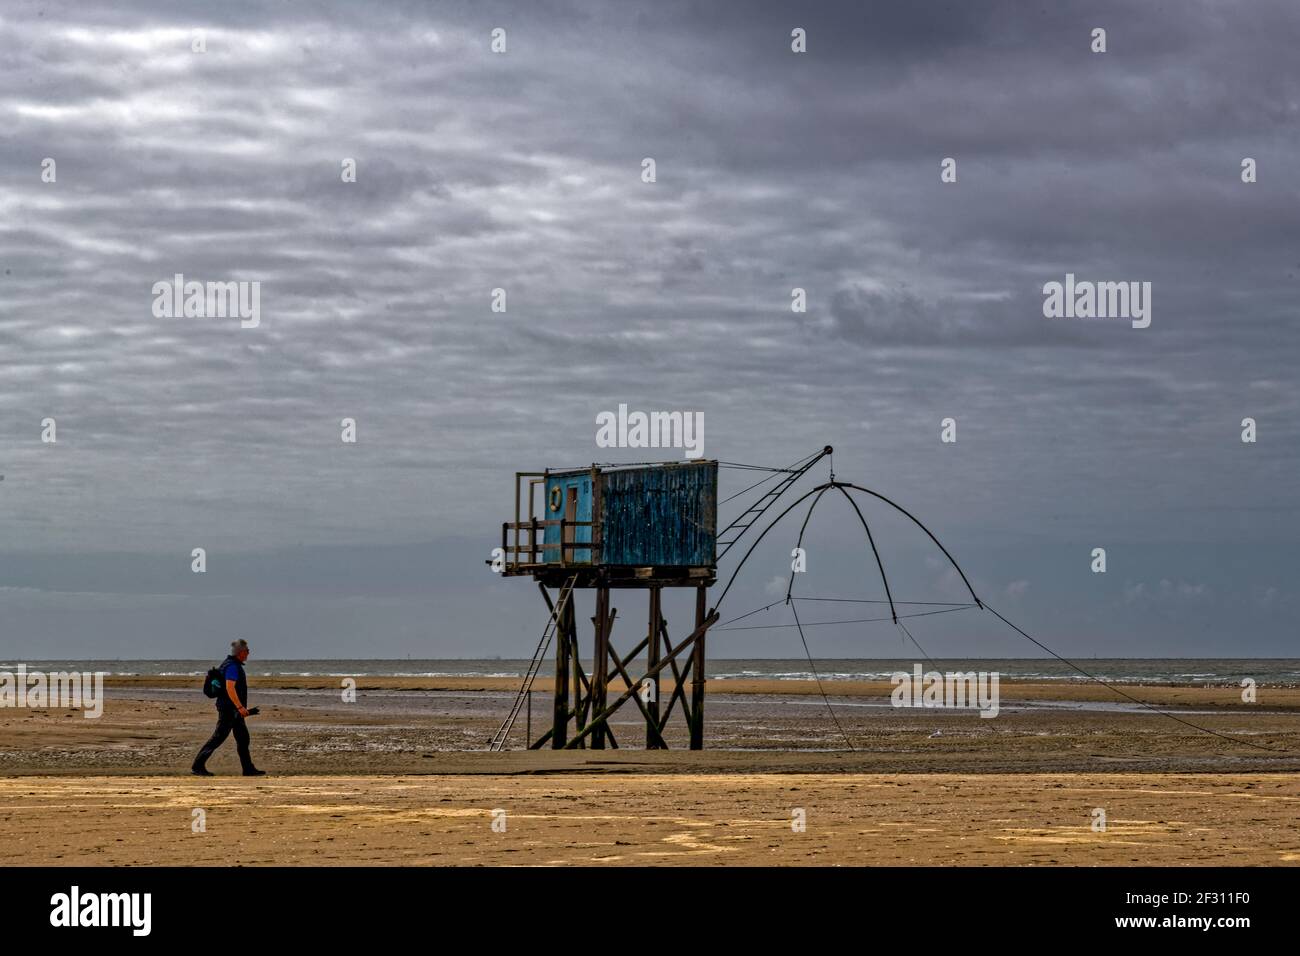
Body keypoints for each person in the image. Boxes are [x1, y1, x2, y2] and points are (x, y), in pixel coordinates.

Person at [192, 639, 266, 776]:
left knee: (243, 739)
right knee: (218, 738)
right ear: (241, 652)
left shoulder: (230, 665)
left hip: (233, 710)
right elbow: (230, 688)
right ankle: (197, 766)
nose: (248, 654)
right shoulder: (232, 666)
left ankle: (248, 769)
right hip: (229, 710)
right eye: (247, 651)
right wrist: (240, 707)